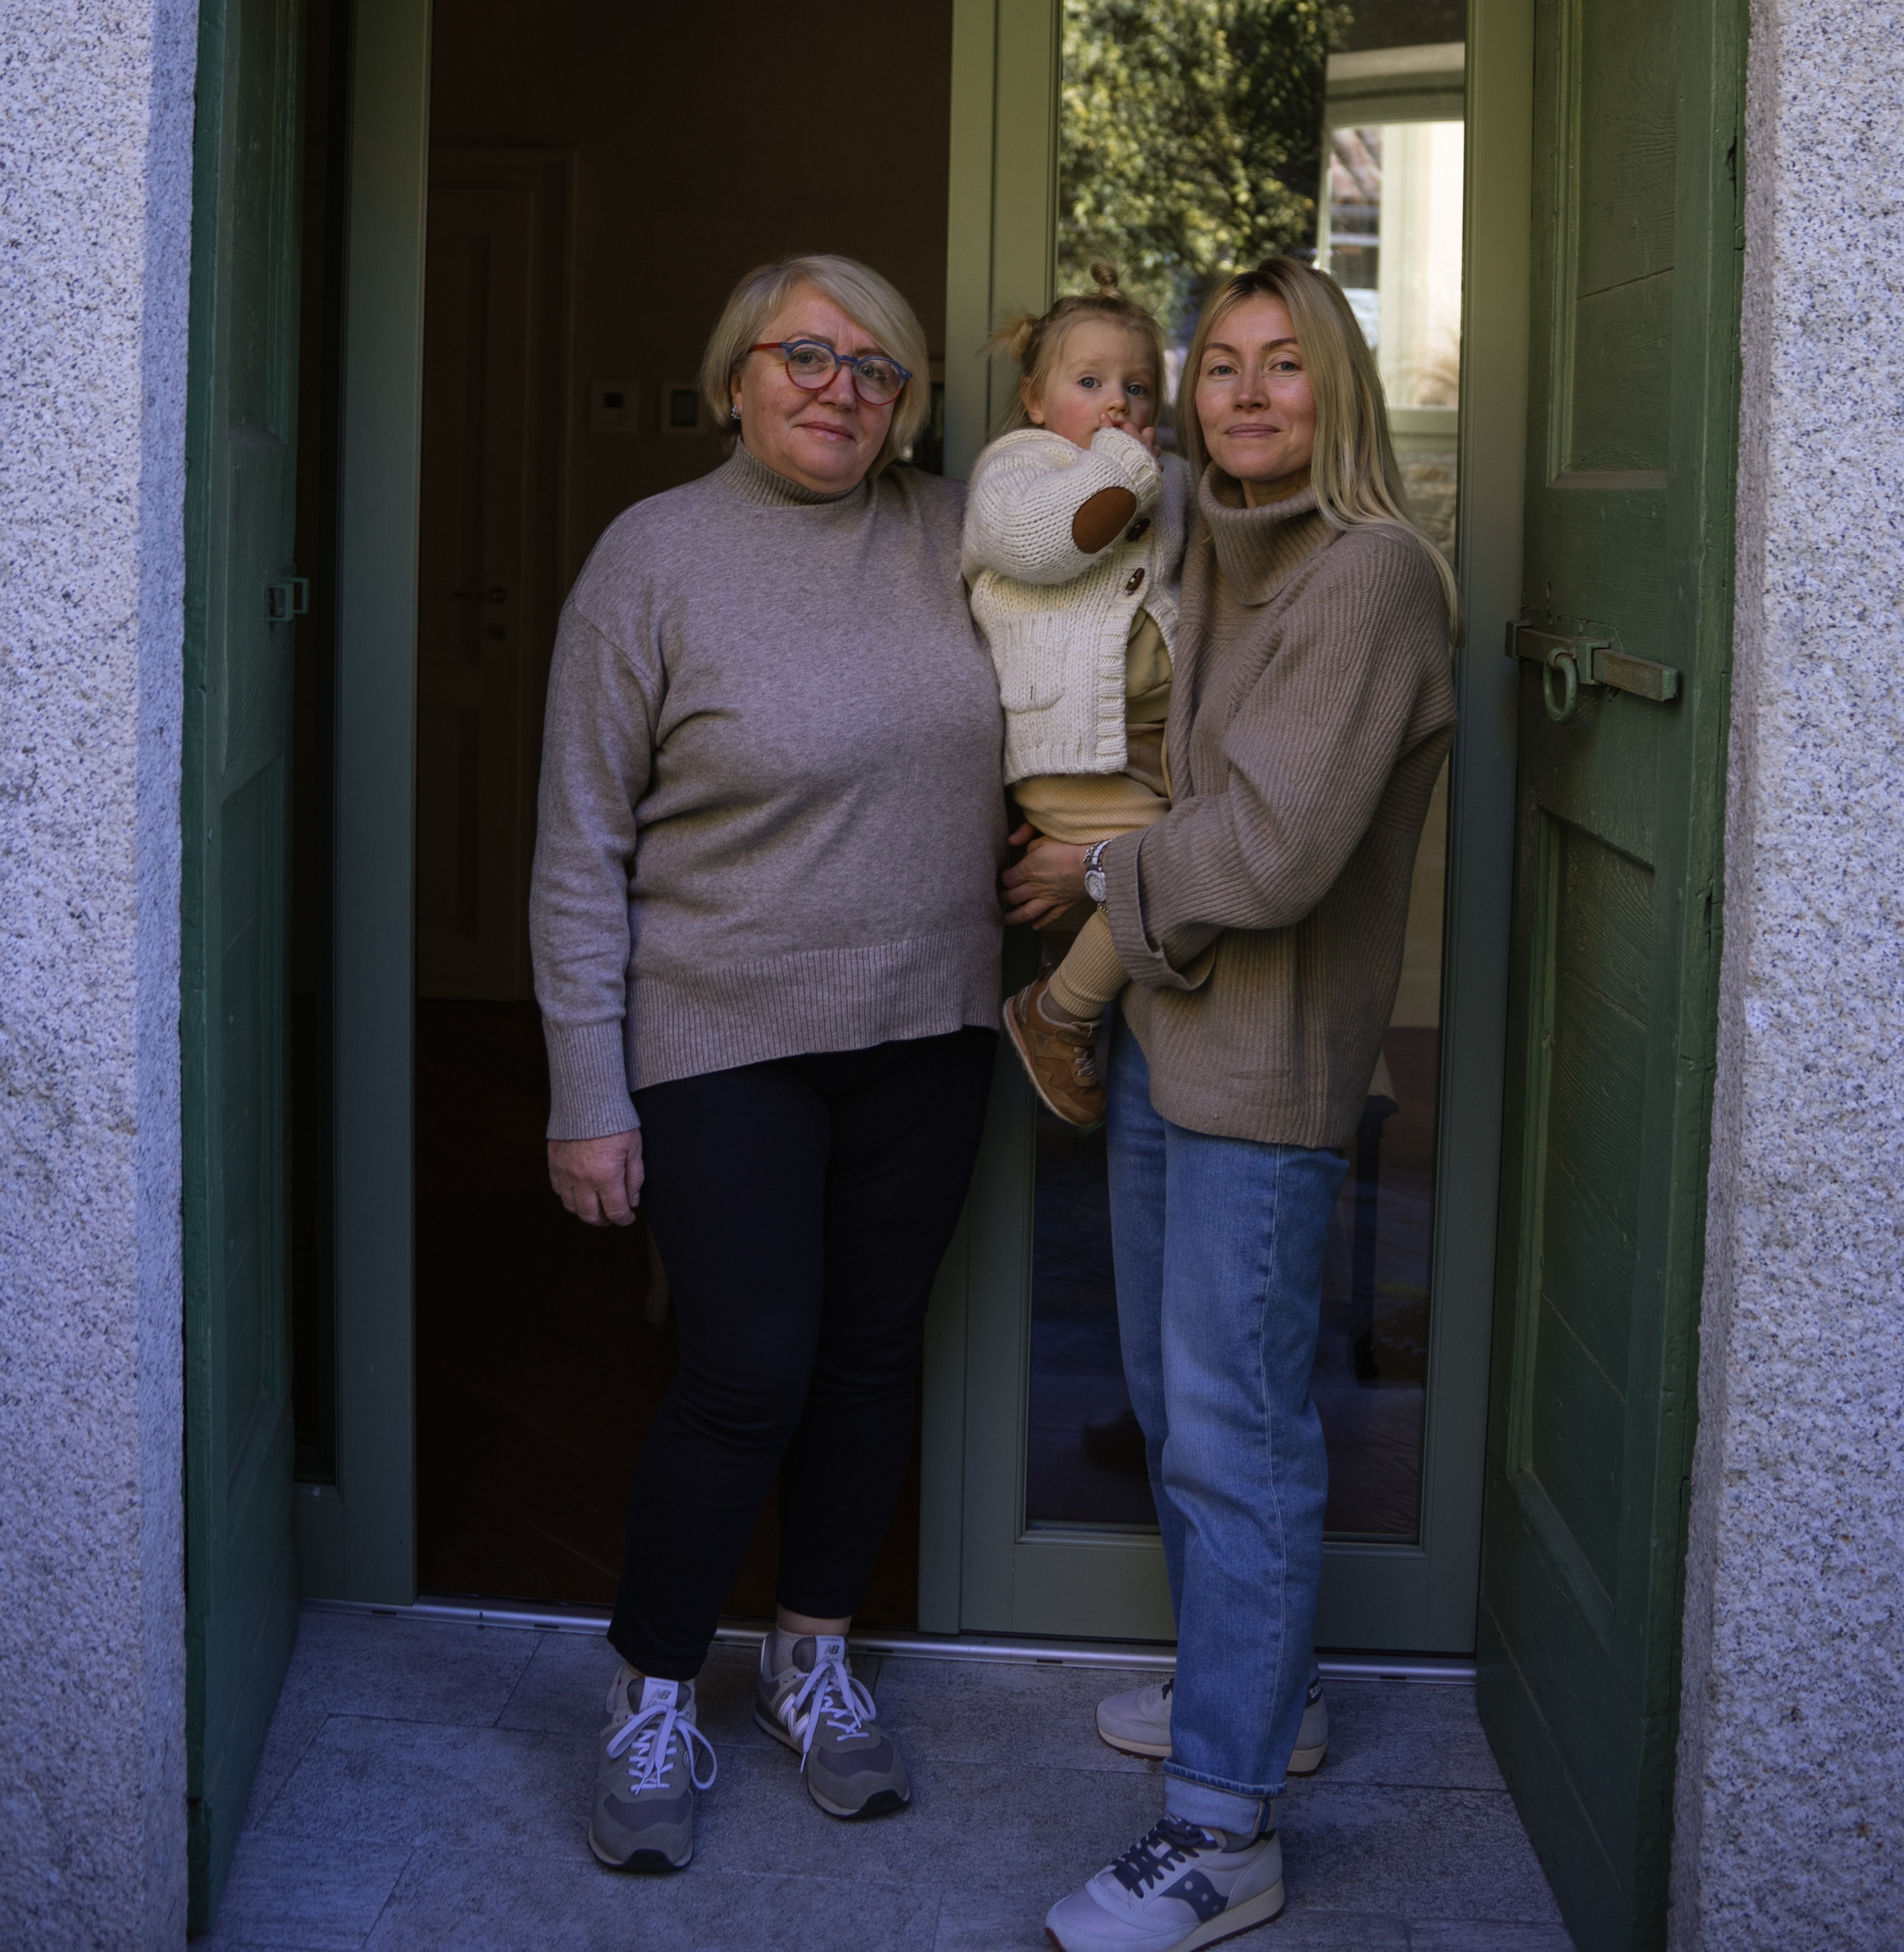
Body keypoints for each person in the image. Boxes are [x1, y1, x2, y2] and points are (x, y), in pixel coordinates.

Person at [529, 253, 1006, 1878]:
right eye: (803, 355)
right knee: (748, 1370)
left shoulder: (959, 536)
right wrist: (584, 1091)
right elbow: (579, 848)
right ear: (734, 376)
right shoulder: (650, 559)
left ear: (909, 405)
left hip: (929, 1027)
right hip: (721, 1034)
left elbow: (1120, 574)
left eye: (877, 369)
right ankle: (653, 1688)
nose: (839, 387)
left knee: (872, 1356)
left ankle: (812, 1662)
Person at [1009, 255, 1458, 1952]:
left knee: (1236, 1442)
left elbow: (1266, 851)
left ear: (1335, 391)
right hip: (1162, 1035)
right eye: (1220, 372)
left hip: (1261, 1072)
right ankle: (1269, 1700)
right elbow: (1065, 502)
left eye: (1284, 366)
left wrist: (1097, 868)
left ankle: (1220, 1830)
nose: (1245, 395)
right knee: (1174, 1398)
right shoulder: (1219, 540)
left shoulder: (1370, 578)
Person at [959, 265, 1191, 1130]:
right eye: (1088, 383)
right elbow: (1054, 539)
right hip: (1067, 746)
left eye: (1136, 386)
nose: (1115, 404)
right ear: (1032, 399)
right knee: (1173, 876)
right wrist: (1127, 465)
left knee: (1189, 867)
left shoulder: (1162, 477)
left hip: (1154, 738)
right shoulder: (1018, 471)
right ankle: (1057, 1015)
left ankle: (1082, 1002)